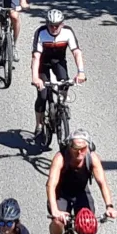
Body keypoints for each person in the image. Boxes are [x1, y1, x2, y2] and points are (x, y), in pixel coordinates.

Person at [45, 129, 117, 234]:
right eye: (75, 149)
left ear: (88, 147)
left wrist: (109, 206)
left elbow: (102, 183)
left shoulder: (92, 158)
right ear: (69, 147)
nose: (79, 152)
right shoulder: (61, 158)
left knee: (88, 225)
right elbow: (51, 185)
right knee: (58, 222)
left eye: (83, 148)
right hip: (61, 193)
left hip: (80, 193)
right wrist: (55, 211)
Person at [30, 9, 85, 138]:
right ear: (46, 24)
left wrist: (81, 72)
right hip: (42, 64)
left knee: (64, 83)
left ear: (62, 24)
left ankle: (61, 106)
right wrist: (35, 78)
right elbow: (36, 57)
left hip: (58, 62)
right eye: (51, 25)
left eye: (57, 25)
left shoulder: (67, 32)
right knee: (42, 95)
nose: (54, 28)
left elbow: (77, 52)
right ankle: (39, 124)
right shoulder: (41, 33)